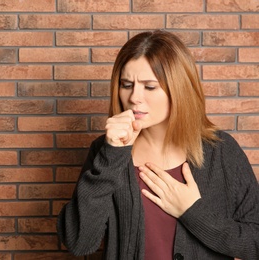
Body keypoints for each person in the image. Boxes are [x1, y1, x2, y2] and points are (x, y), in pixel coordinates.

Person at [56, 30, 259, 260]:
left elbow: (255, 241)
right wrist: (112, 156)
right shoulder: (106, 152)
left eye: (149, 86)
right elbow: (79, 242)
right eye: (126, 84)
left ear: (178, 88)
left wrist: (193, 212)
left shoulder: (221, 151)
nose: (134, 97)